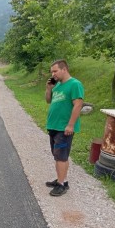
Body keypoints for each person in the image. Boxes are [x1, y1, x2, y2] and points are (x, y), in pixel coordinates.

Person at [45, 60, 84, 196]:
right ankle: (63, 180)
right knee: (59, 156)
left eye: (55, 71)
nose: (53, 74)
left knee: (61, 157)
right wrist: (49, 88)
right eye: (52, 72)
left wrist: (71, 125)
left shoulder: (74, 84)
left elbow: (78, 105)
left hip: (64, 128)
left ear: (64, 69)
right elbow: (48, 100)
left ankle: (61, 185)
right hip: (54, 126)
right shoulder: (57, 85)